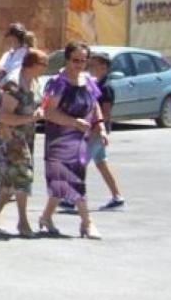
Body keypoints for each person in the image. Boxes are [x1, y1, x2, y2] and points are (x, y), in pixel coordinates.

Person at [39, 41, 105, 239]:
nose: (79, 64)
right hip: (59, 140)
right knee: (74, 181)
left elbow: (94, 105)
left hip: (79, 139)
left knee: (62, 183)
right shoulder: (58, 83)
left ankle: (45, 217)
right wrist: (73, 122)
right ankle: (87, 223)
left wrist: (100, 126)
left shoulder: (87, 81)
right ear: (67, 59)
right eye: (75, 60)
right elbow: (49, 112)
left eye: (83, 61)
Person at [0, 50, 48, 237]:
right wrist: (31, 116)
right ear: (32, 64)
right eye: (43, 64)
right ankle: (23, 221)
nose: (45, 68)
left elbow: (36, 103)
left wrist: (38, 112)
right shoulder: (13, 83)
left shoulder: (34, 81)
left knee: (10, 182)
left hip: (27, 135)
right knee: (23, 176)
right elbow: (4, 116)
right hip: (10, 137)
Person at [86, 52, 125, 209]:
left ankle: (71, 198)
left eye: (93, 64)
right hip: (95, 130)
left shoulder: (106, 87)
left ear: (104, 66)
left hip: (97, 132)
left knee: (80, 164)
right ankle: (117, 196)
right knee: (101, 163)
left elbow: (106, 113)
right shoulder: (96, 84)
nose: (90, 67)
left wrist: (95, 132)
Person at [0, 23, 35, 87]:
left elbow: (25, 74)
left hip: (19, 92)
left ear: (16, 38)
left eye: (10, 37)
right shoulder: (7, 54)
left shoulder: (27, 53)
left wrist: (7, 73)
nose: (8, 40)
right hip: (3, 91)